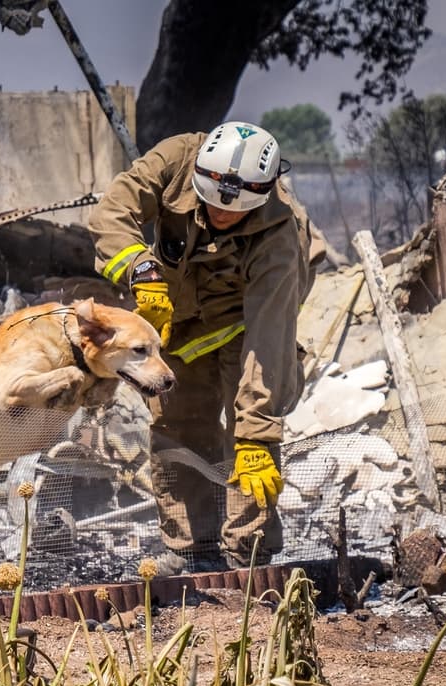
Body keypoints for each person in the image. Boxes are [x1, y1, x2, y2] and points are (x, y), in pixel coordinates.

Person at [89, 121, 324, 571]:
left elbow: (268, 336)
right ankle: (190, 551)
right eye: (211, 202)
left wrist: (257, 431)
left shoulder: (279, 238)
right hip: (178, 322)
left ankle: (247, 558)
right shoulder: (176, 158)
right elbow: (111, 211)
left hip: (244, 328)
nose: (219, 214)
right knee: (179, 426)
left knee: (250, 439)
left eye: (232, 211)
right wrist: (140, 269)